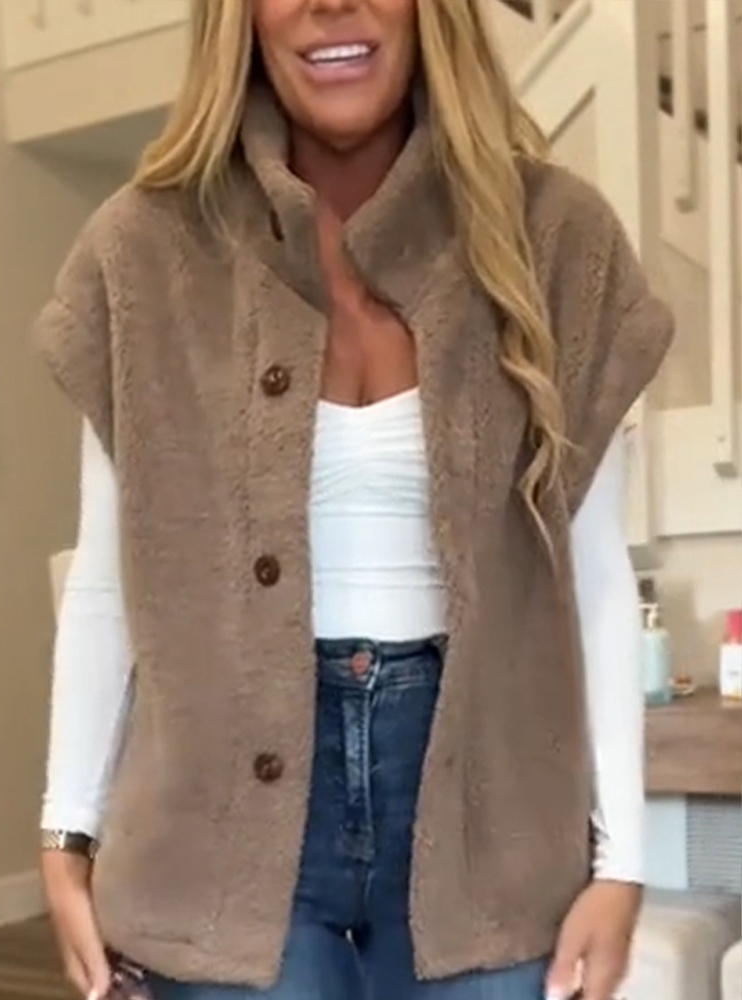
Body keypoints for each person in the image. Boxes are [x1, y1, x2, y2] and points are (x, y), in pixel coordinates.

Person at [34, 1, 674, 998]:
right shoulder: (142, 251)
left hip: (496, 838)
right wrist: (65, 832)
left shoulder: (558, 240)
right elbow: (109, 584)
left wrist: (621, 859)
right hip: (210, 841)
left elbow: (590, 580)